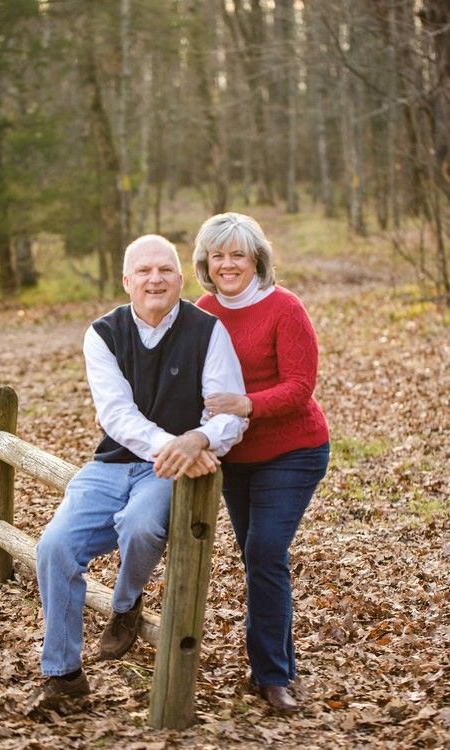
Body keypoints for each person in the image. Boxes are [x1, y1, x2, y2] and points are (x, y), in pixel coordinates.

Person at [33, 234, 247, 708]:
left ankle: (126, 603)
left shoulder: (207, 331)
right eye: (144, 271)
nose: (156, 279)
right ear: (126, 280)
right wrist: (176, 444)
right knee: (54, 547)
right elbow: (115, 415)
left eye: (165, 270)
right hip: (112, 464)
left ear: (180, 279)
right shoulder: (103, 333)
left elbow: (229, 413)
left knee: (141, 524)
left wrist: (201, 439)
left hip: (170, 472)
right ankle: (64, 676)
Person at [194, 213, 329, 713]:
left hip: (294, 451)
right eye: (218, 255)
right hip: (235, 456)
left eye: (238, 254)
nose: (227, 264)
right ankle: (278, 662)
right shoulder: (203, 311)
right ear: (206, 262)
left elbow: (300, 387)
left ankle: (272, 676)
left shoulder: (284, 307)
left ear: (257, 260)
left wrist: (245, 403)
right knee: (258, 559)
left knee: (265, 550)